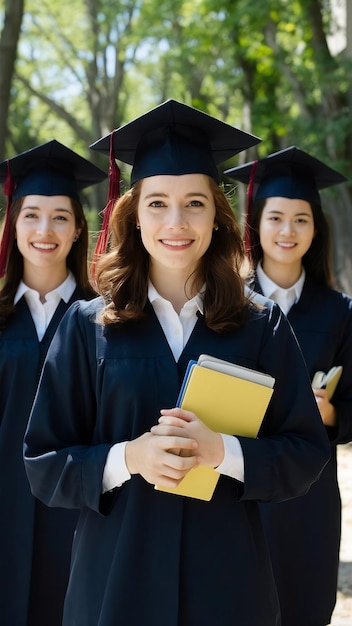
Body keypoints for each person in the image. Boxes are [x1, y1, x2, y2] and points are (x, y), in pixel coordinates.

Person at [23, 101, 330, 626]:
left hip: (229, 589)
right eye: (158, 204)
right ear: (134, 216)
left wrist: (225, 453)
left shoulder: (261, 326)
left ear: (217, 216)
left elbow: (304, 452)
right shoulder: (86, 326)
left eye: (194, 204)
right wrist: (127, 459)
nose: (176, 222)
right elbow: (45, 465)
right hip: (115, 588)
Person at [225, 145, 352, 626]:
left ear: (316, 229)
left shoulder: (338, 313)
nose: (287, 231)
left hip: (308, 494)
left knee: (303, 603)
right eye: (275, 217)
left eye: (301, 219)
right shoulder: (226, 304)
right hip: (237, 483)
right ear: (256, 225)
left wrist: (329, 415)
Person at [0, 140, 107, 626]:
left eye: (61, 216)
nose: (45, 230)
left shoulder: (107, 321)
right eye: (31, 215)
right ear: (13, 224)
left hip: (79, 512)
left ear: (79, 227)